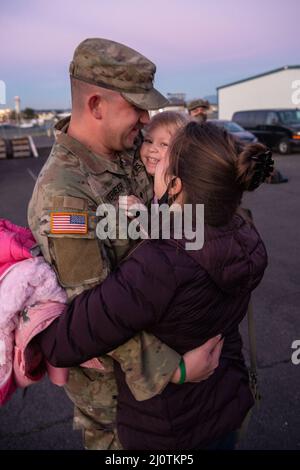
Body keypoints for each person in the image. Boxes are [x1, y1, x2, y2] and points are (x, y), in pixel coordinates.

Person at [28, 38, 222, 450]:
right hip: (118, 401)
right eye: (135, 106)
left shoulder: (132, 150)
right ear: (96, 105)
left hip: (168, 380)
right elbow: (93, 311)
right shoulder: (66, 195)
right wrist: (176, 370)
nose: (146, 117)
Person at [37, 121, 272, 450]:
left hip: (168, 432)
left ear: (174, 184)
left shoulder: (159, 265)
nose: (151, 158)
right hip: (224, 407)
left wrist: (30, 300)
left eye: (164, 156)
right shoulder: (243, 231)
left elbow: (62, 343)